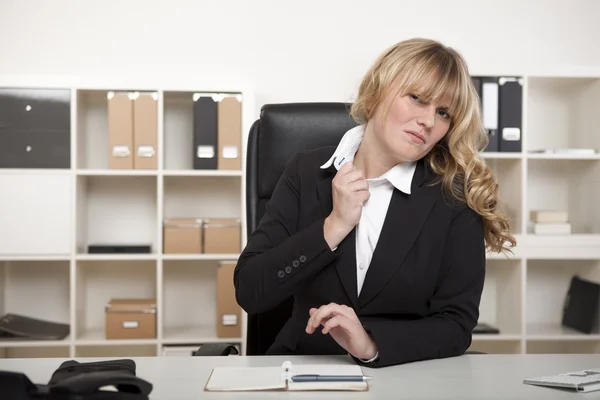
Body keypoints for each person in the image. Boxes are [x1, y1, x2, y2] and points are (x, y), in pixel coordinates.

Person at [233, 37, 516, 368]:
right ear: (379, 88)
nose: (428, 121)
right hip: (303, 370)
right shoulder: (305, 172)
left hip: (405, 375)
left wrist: (369, 344)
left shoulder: (454, 196)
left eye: (443, 113)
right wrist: (334, 226)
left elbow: (456, 324)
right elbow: (250, 291)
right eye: (417, 98)